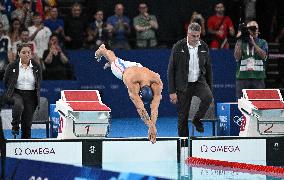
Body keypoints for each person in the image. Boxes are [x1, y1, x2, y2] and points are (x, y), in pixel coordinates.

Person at [95, 44, 163, 144]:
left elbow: (154, 107)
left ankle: (109, 61)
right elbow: (141, 108)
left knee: (115, 61)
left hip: (138, 67)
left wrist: (153, 126)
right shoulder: (132, 82)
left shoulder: (157, 82)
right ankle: (103, 49)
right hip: (124, 70)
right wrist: (150, 126)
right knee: (113, 59)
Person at [167, 23, 213, 137]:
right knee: (183, 116)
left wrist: (209, 87)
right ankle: (184, 143)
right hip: (183, 85)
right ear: (188, 34)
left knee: (208, 97)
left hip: (199, 81)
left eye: (198, 36)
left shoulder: (203, 46)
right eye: (193, 36)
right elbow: (171, 69)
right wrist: (172, 92)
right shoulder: (179, 46)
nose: (196, 39)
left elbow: (208, 68)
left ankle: (197, 119)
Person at [3, 43, 42, 139]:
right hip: (16, 93)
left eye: (29, 52)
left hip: (31, 96)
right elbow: (6, 81)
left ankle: (26, 143)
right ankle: (15, 126)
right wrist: (11, 91)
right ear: (19, 54)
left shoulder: (36, 66)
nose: (27, 54)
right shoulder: (12, 66)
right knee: (18, 105)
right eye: (24, 52)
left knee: (27, 124)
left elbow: (38, 81)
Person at [234, 21, 268, 99]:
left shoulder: (262, 42)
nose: (253, 30)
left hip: (258, 78)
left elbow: (264, 56)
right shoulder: (240, 42)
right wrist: (239, 39)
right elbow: (237, 57)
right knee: (241, 105)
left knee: (258, 105)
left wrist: (253, 43)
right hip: (242, 78)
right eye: (250, 28)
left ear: (258, 30)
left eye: (255, 28)